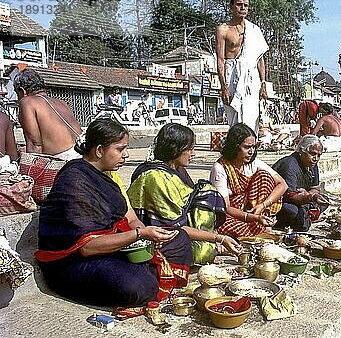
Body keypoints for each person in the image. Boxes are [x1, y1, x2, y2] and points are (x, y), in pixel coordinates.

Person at [35, 119, 191, 307]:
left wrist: (146, 238)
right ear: (99, 150)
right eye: (120, 149)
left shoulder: (108, 175)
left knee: (179, 239)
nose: (125, 155)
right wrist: (139, 235)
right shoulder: (75, 181)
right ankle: (146, 275)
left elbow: (131, 218)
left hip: (112, 245)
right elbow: (87, 247)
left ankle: (145, 270)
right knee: (138, 285)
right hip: (73, 261)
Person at [128, 123, 241, 265]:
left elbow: (189, 207)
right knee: (191, 244)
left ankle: (208, 247)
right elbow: (174, 227)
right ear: (175, 149)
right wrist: (219, 238)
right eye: (189, 149)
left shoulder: (177, 170)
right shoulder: (155, 177)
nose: (193, 153)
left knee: (206, 192)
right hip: (158, 236)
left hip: (179, 229)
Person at [209, 123, 287, 238]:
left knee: (264, 176)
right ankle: (259, 228)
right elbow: (225, 208)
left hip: (255, 212)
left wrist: (262, 206)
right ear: (234, 147)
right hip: (232, 216)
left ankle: (263, 226)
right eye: (246, 147)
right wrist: (252, 218)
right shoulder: (220, 168)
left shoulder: (253, 163)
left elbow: (282, 185)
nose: (251, 151)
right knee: (226, 226)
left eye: (253, 147)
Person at [216, 0, 268, 134]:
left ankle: (250, 149)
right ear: (232, 6)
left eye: (246, 5)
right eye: (239, 4)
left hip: (251, 78)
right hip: (231, 74)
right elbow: (220, 60)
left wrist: (263, 83)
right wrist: (224, 87)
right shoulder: (223, 30)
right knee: (234, 116)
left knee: (252, 116)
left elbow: (259, 59)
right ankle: (236, 151)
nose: (242, 8)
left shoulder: (254, 30)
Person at [13, 68, 82, 160]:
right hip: (83, 153)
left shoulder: (27, 102)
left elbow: (35, 144)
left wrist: (29, 169)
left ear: (22, 91)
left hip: (66, 161)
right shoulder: (61, 103)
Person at [272, 135, 329, 232]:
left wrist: (308, 195)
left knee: (325, 199)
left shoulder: (312, 164)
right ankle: (307, 216)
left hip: (303, 199)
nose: (316, 158)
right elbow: (290, 196)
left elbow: (315, 188)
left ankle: (308, 214)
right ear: (301, 152)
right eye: (312, 154)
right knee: (291, 210)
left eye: (319, 155)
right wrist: (311, 197)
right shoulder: (289, 165)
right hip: (282, 201)